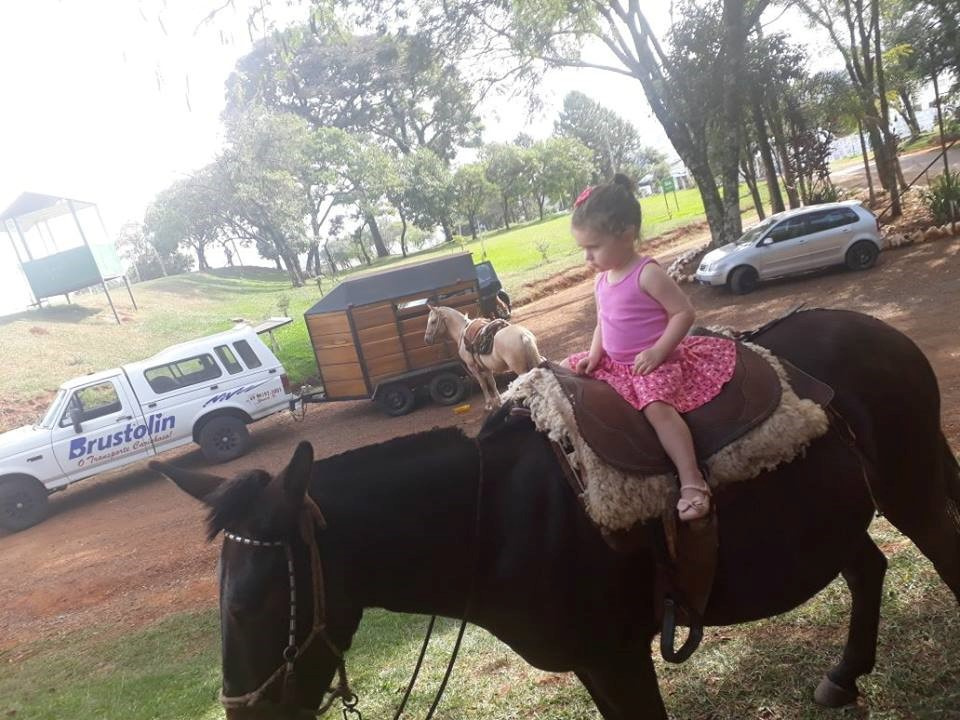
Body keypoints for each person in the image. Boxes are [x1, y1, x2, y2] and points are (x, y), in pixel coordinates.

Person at [566, 174, 737, 521]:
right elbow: (603, 321)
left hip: (654, 365)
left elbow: (683, 312)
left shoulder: (647, 273)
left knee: (657, 409)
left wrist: (659, 351)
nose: (587, 258)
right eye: (583, 249)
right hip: (615, 364)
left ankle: (692, 480)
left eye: (593, 247)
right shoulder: (602, 279)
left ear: (626, 234)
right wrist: (595, 354)